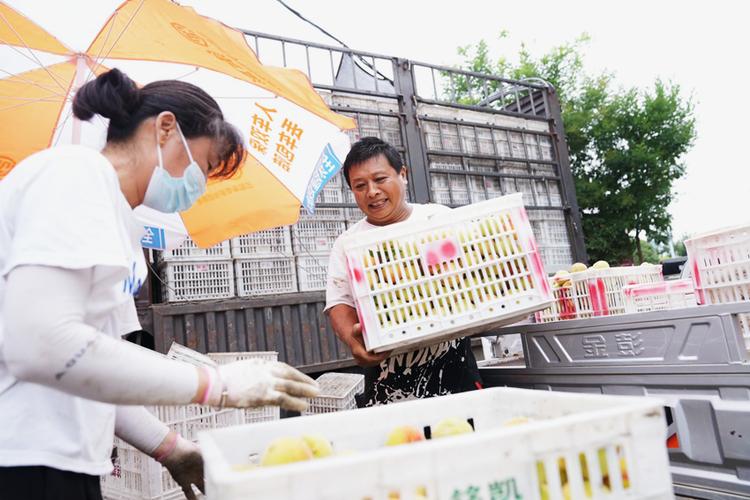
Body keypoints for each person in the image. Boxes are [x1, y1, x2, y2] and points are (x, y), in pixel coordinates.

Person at [0, 68, 319, 500]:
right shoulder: (73, 172)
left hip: (65, 460)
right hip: (21, 457)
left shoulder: (122, 225)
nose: (199, 186)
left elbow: (93, 364)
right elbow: (42, 344)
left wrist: (172, 449)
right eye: (202, 165)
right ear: (165, 127)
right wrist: (217, 385)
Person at [325, 137, 482, 406]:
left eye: (380, 179)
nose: (371, 192)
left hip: (454, 366)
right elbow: (339, 301)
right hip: (388, 377)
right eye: (360, 186)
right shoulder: (348, 243)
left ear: (403, 174)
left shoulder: (437, 219)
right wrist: (355, 344)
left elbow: (474, 271)